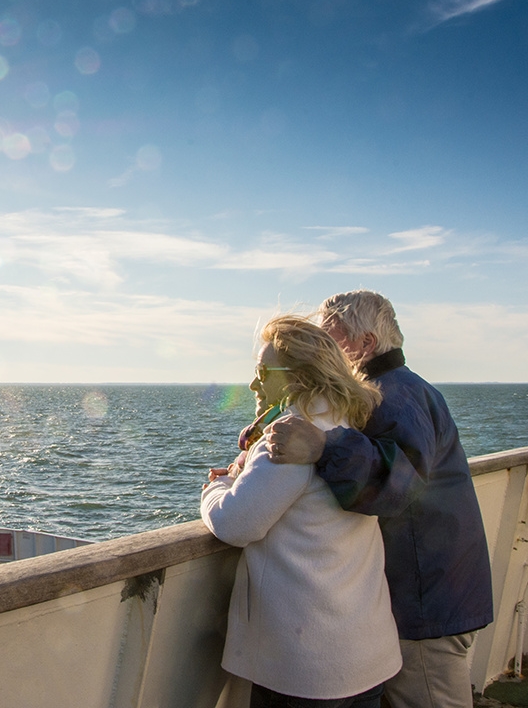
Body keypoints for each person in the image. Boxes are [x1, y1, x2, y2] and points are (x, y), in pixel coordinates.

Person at [265, 291, 493, 708]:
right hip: (434, 590)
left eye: (330, 338)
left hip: (424, 601)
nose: (321, 348)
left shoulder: (392, 398)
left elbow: (397, 486)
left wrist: (322, 445)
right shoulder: (404, 390)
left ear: (365, 344)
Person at [201, 315, 402, 708]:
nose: (253, 384)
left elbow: (234, 523)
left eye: (263, 372)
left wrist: (215, 488)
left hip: (309, 669)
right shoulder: (345, 428)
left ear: (300, 376)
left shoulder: (290, 436)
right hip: (365, 654)